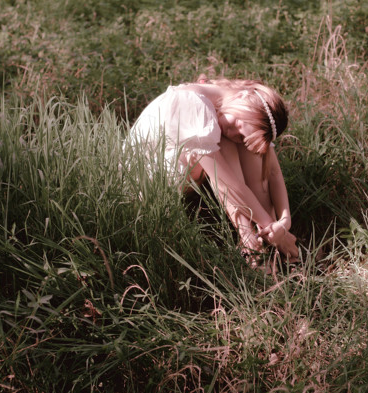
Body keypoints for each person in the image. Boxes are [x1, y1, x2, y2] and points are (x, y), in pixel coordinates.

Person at [126, 75, 298, 265]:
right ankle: (255, 241)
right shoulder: (192, 103)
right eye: (238, 125)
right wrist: (269, 224)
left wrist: (285, 221)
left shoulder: (229, 105)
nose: (234, 132)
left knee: (250, 147)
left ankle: (269, 241)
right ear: (244, 96)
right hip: (148, 178)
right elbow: (226, 184)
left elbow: (272, 172)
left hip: (188, 172)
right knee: (224, 142)